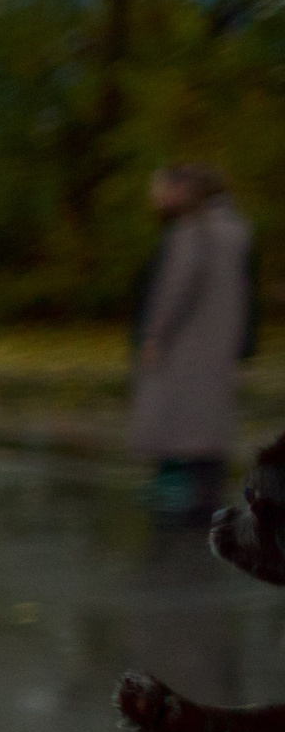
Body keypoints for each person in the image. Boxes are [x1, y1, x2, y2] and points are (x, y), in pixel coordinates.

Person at [132, 161, 258, 520]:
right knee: (209, 421)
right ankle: (208, 497)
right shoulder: (236, 230)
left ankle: (177, 498)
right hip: (220, 341)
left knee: (175, 420)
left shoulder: (191, 233)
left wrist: (154, 337)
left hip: (185, 344)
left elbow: (173, 292)